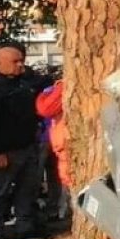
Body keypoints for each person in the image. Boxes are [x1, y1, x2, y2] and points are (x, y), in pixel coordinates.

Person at [0, 42, 49, 239]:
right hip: (4, 152)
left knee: (28, 190)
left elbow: (45, 84)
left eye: (21, 61)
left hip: (27, 147)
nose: (20, 65)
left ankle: (25, 229)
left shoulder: (25, 81)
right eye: (15, 62)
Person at [35, 79, 70, 220]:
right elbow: (45, 108)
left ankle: (56, 210)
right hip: (51, 140)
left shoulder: (53, 90)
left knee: (59, 178)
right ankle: (52, 209)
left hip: (59, 141)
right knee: (40, 178)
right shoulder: (57, 89)